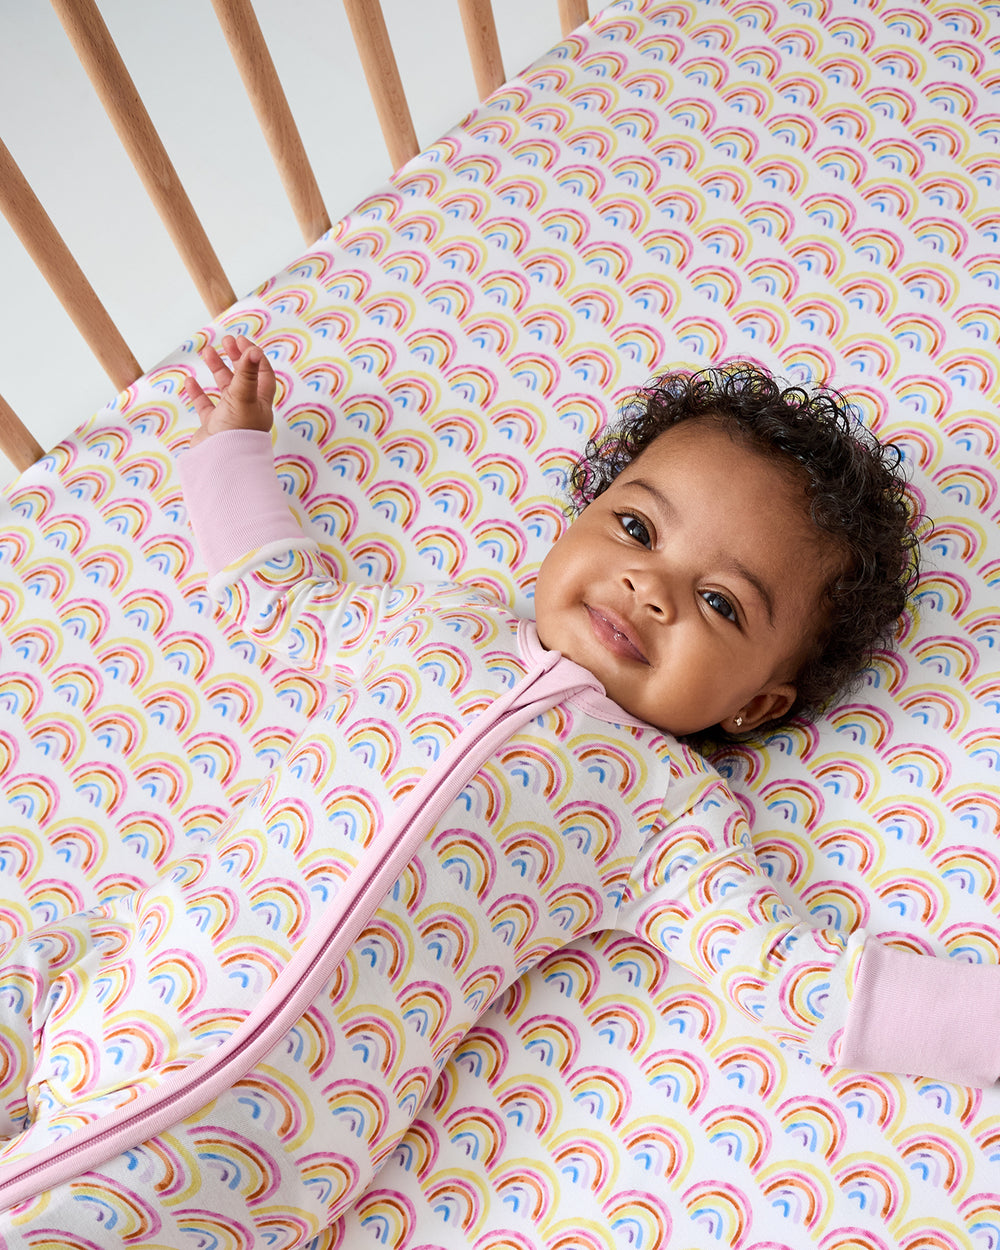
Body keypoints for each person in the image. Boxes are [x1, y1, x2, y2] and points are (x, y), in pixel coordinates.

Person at [1, 336, 998, 1240]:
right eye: (638, 527)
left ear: (752, 704)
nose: (651, 587)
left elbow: (792, 975)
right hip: (107, 969)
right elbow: (283, 595)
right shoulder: (440, 627)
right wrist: (231, 450)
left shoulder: (664, 807)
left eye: (722, 601)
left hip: (252, 1129)